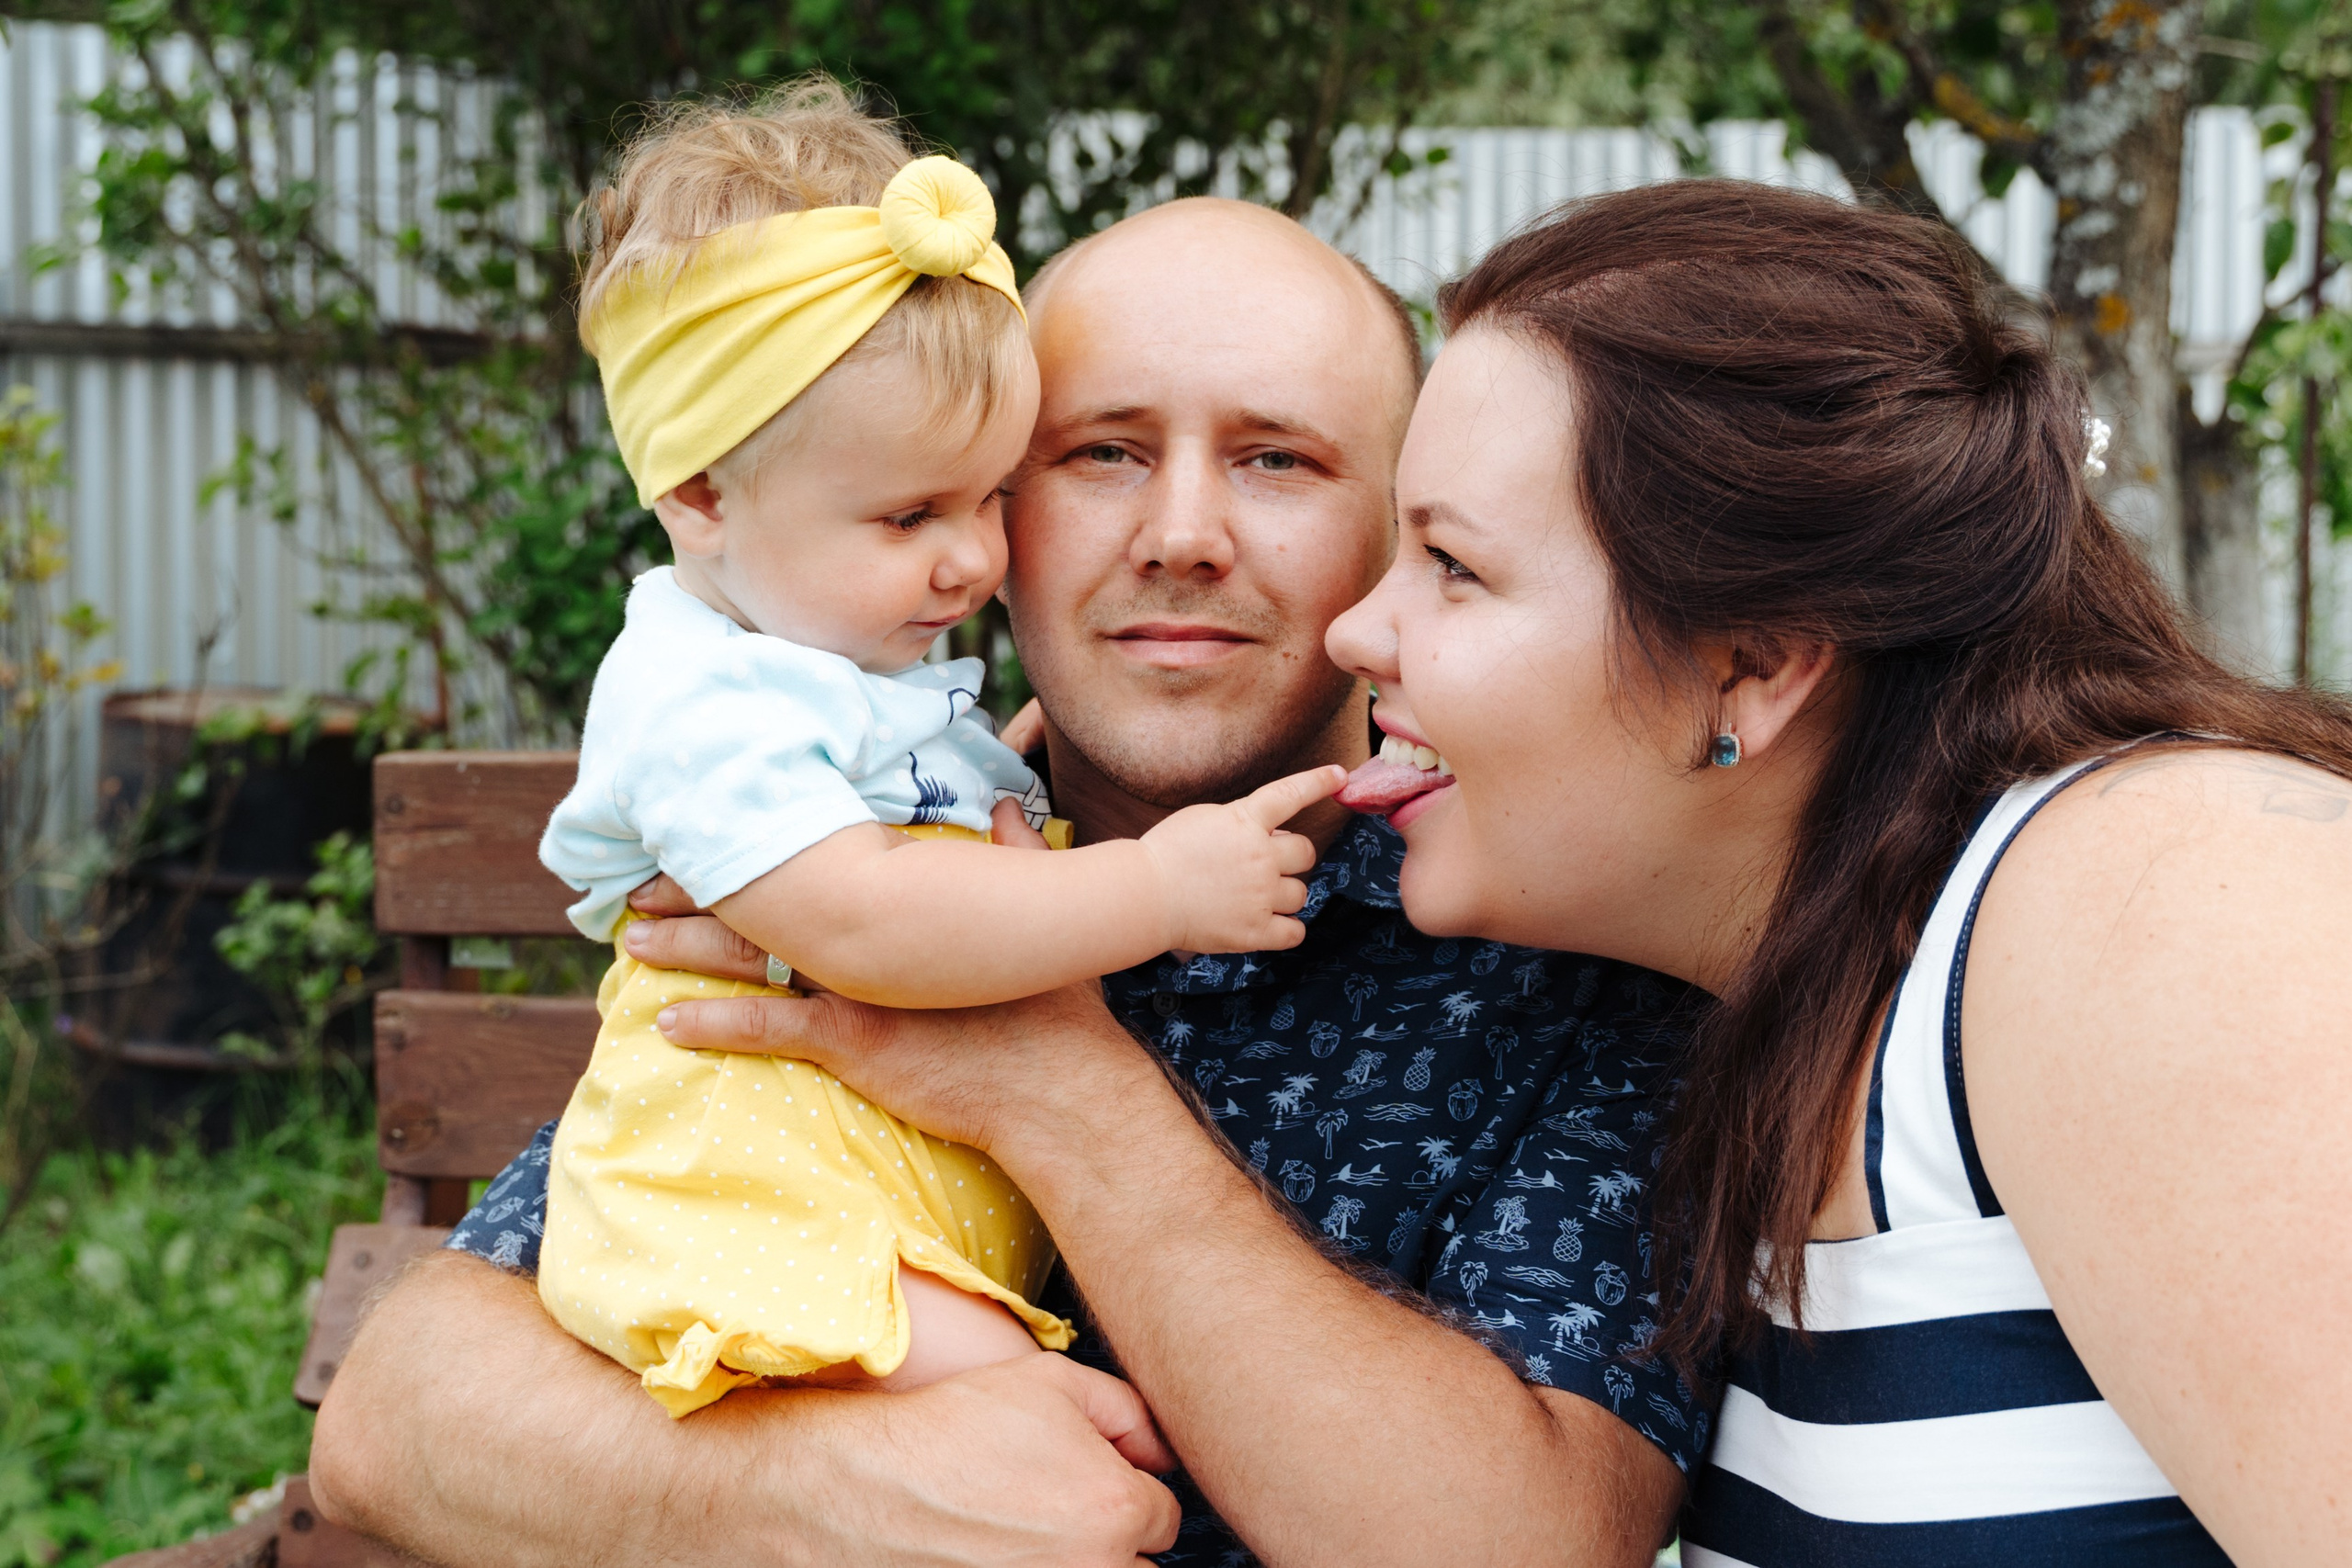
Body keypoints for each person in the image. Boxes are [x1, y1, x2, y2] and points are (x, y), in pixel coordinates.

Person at [311, 193, 1703, 1566]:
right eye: (1100, 454)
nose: (1181, 534)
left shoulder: (1537, 910)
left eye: (1278, 460)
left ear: (1397, 531)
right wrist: (805, 1490)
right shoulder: (849, 848)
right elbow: (398, 1415)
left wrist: (1052, 1081)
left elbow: (1522, 1543)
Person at [1321, 180, 2352, 1563]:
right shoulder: (1780, 1010)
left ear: (1752, 662)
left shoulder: (2156, 902)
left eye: (1452, 564)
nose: (1355, 632)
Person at [533, 85, 1337, 1417]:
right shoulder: (706, 703)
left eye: (988, 497)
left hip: (853, 1220)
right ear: (701, 494)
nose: (968, 558)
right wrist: (1152, 893)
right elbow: (867, 918)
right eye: (911, 513)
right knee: (1084, 1451)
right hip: (757, 1216)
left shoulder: (820, 670)